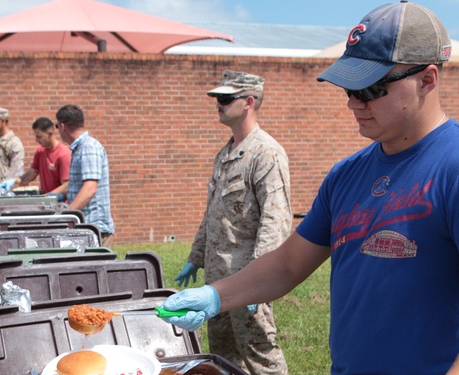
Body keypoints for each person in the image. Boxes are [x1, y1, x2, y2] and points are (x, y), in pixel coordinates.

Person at [161, 2, 458, 374]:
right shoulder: (346, 175)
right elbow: (288, 265)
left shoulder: (453, 167)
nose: (353, 102)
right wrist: (216, 295)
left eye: (371, 88)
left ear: (427, 79)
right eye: (349, 88)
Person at [173, 70, 291, 374]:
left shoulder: (265, 153)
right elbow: (213, 212)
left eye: (226, 98)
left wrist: (260, 282)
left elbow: (275, 221)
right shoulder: (224, 154)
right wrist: (195, 258)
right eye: (217, 99)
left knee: (260, 355)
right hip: (217, 278)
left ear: (249, 102)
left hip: (247, 276)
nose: (219, 104)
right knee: (223, 356)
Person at [55, 104, 114, 245]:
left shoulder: (88, 148)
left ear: (63, 126)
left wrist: (67, 215)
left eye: (56, 126)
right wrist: (51, 197)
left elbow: (89, 189)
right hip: (87, 228)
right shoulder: (80, 148)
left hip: (94, 229)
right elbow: (76, 185)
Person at [0, 116, 71, 199]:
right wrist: (15, 181)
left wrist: (47, 197)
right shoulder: (40, 151)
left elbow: (66, 186)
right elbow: (32, 174)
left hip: (60, 203)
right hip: (46, 201)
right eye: (36, 136)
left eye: (39, 137)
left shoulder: (63, 154)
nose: (36, 140)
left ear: (50, 134)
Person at [0, 107, 25, 180]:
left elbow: (16, 169)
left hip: (8, 186)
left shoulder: (14, 143)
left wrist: (5, 183)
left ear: (3, 121)